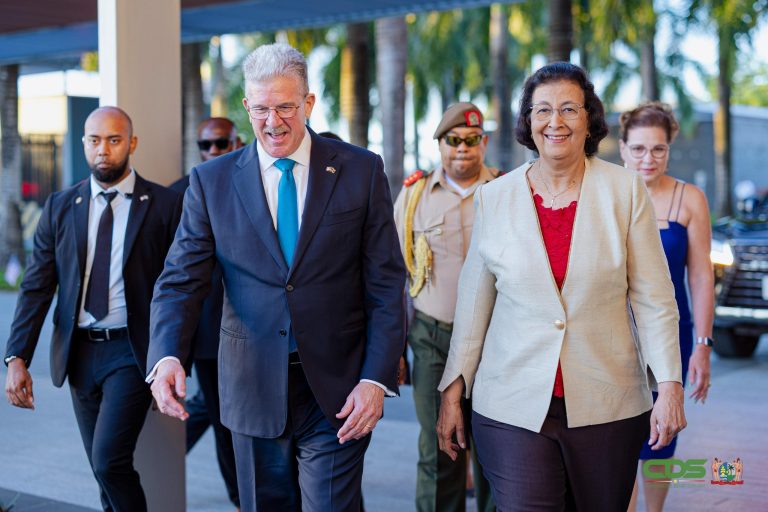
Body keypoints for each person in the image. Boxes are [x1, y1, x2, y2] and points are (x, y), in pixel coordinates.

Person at [146, 42, 405, 512]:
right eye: (261, 109)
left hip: (339, 389)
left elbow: (386, 283)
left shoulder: (360, 170)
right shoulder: (211, 182)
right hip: (251, 387)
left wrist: (375, 379)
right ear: (247, 106)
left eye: (285, 107)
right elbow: (180, 280)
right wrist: (166, 355)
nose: (273, 121)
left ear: (308, 102)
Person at [435, 62, 687, 511]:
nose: (556, 121)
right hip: (511, 404)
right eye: (543, 110)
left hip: (607, 403)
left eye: (569, 108)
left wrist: (669, 385)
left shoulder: (626, 191)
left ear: (589, 119)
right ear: (528, 121)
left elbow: (654, 299)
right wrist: (453, 389)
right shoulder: (495, 197)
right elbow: (474, 303)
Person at [4, 106, 182, 511]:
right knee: (102, 470)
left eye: (114, 140)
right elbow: (36, 287)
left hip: (132, 352)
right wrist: (17, 357)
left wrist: (174, 357)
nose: (103, 149)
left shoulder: (165, 205)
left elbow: (180, 289)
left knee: (108, 461)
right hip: (79, 353)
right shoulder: (60, 205)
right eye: (94, 140)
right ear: (84, 143)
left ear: (131, 143)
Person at [393, 101, 497, 512]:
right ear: (440, 145)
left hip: (496, 341)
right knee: (440, 447)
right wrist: (395, 346)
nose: (463, 148)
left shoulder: (507, 190)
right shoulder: (415, 195)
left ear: (484, 143)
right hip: (433, 337)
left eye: (472, 139)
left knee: (495, 449)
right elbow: (393, 272)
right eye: (453, 140)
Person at [619, 102, 714, 512]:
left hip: (670, 335)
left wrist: (703, 346)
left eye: (658, 149)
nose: (648, 158)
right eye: (639, 149)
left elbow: (701, 277)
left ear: (669, 149)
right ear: (622, 148)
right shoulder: (606, 194)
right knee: (619, 441)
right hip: (614, 336)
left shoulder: (689, 199)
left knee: (661, 436)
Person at [170, 116, 243, 510]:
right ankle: (240, 498)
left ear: (236, 142)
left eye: (221, 143)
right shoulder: (178, 194)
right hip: (208, 336)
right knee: (222, 419)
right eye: (206, 144)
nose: (213, 150)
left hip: (261, 329)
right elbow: (171, 275)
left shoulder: (258, 183)